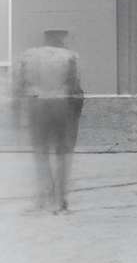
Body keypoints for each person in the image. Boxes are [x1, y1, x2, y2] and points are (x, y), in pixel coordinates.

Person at [13, 29, 85, 213]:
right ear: (60, 39)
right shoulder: (69, 57)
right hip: (60, 106)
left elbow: (19, 87)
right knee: (62, 154)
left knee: (41, 152)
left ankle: (44, 196)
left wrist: (19, 115)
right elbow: (75, 88)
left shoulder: (28, 56)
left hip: (36, 105)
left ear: (45, 39)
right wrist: (76, 115)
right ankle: (61, 201)